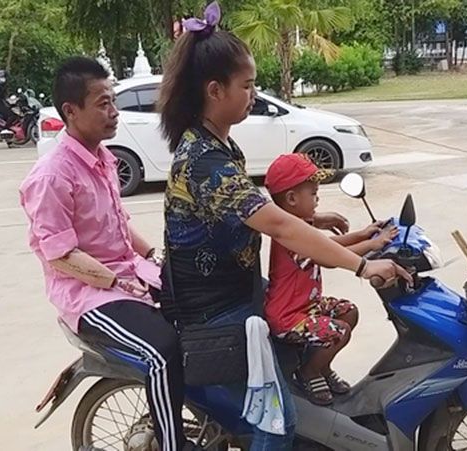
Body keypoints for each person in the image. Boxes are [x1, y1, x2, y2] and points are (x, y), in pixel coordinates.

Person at [156, 2, 411, 449]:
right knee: (278, 424)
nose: (253, 94)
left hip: (238, 291)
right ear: (215, 90)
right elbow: (279, 226)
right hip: (215, 311)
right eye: (247, 85)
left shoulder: (219, 145)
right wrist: (362, 265)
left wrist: (315, 218)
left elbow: (255, 212)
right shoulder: (203, 161)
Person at [19, 57, 186, 451]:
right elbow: (60, 254)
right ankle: (173, 442)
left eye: (113, 101)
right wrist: (116, 282)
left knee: (208, 307)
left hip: (128, 275)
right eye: (103, 103)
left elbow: (117, 223)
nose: (114, 112)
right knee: (163, 351)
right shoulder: (52, 176)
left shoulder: (103, 159)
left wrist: (155, 255)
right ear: (71, 111)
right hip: (90, 296)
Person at [262, 154, 399, 406]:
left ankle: (322, 366)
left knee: (348, 311)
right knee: (339, 331)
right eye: (313, 193)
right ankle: (309, 372)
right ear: (291, 199)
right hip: (288, 318)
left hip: (306, 307)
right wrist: (372, 245)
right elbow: (328, 257)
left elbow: (327, 244)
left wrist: (363, 234)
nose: (318, 199)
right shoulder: (290, 237)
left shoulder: (298, 226)